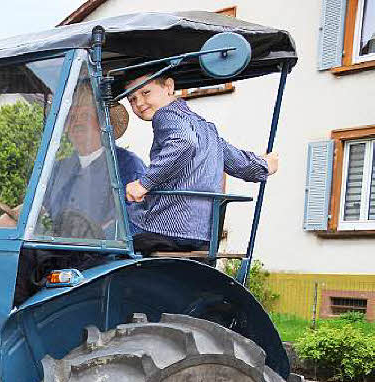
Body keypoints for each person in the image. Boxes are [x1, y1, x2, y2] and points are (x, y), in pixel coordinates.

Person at [123, 73, 278, 255]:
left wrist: (144, 184)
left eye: (146, 92)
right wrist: (265, 165)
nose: (139, 103)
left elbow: (184, 143)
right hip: (204, 234)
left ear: (168, 87)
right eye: (132, 99)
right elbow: (241, 164)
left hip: (166, 227)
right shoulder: (206, 128)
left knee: (111, 226)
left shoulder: (165, 115)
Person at [42, 85, 146, 239]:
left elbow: (136, 224)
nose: (76, 123)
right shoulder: (59, 168)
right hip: (58, 251)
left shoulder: (127, 165)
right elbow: (44, 211)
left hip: (105, 256)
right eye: (71, 117)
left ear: (102, 124)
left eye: (85, 116)